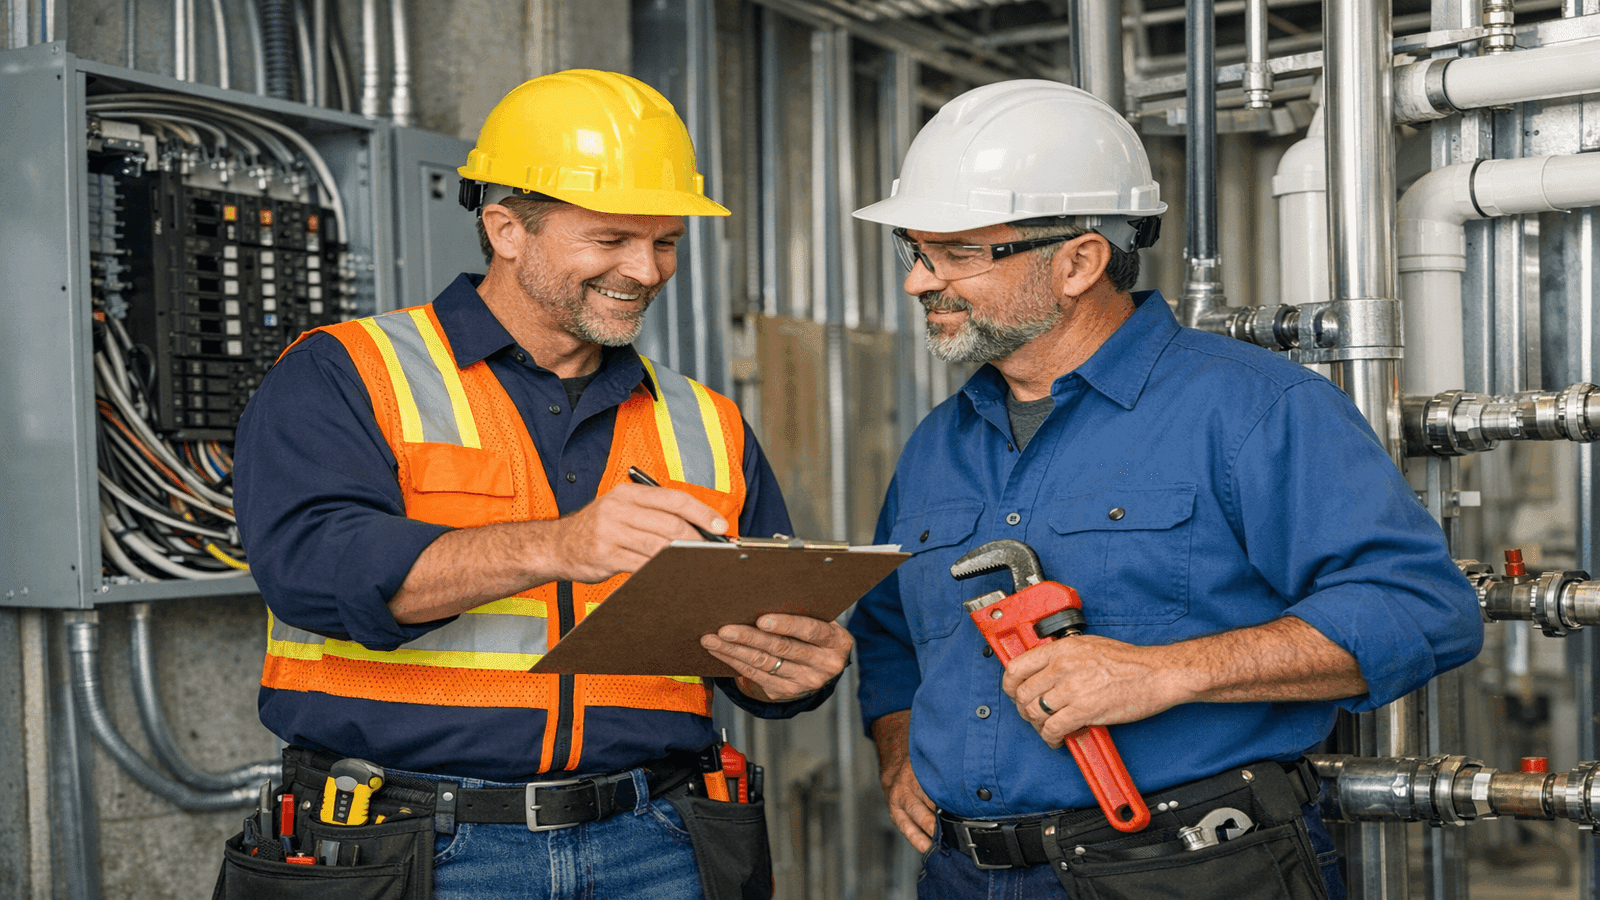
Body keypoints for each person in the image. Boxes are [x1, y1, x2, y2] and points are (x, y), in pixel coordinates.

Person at [846, 79, 1483, 900]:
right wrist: (899, 748)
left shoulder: (1252, 409)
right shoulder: (939, 442)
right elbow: (890, 630)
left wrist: (1167, 673)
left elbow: (1421, 607)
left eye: (959, 254)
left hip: (1191, 868)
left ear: (1078, 261)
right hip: (964, 875)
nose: (918, 282)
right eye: (916, 250)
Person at [233, 69, 851, 899]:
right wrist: (559, 545)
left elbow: (749, 625)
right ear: (505, 229)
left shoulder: (706, 419)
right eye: (611, 239)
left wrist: (784, 671)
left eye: (665, 241)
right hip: (414, 845)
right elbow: (313, 570)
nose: (647, 268)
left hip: (659, 838)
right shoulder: (348, 372)